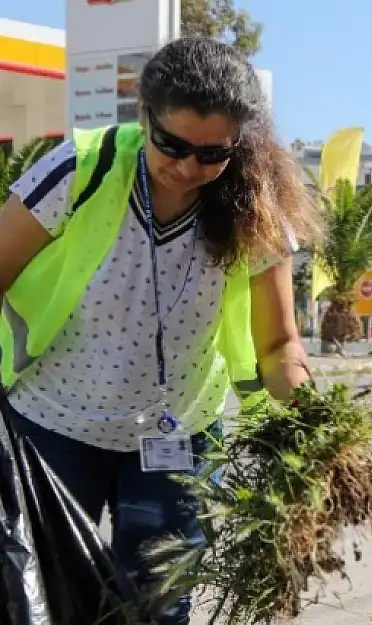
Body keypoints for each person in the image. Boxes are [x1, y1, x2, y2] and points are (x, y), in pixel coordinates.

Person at [0, 37, 318, 624]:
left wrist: (307, 407)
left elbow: (278, 345)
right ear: (144, 115)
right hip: (54, 423)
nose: (188, 167)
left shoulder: (256, 209)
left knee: (160, 604)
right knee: (46, 595)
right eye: (170, 144)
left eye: (212, 154)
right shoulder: (81, 170)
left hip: (176, 438)